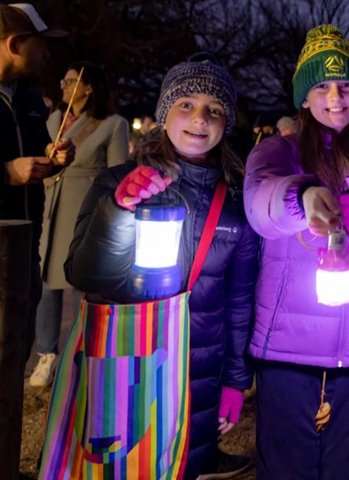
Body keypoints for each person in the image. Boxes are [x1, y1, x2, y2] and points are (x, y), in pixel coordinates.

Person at [45, 53, 258, 480]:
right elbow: (86, 274)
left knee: (186, 463)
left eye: (214, 110)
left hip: (200, 369)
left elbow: (239, 298)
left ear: (226, 123)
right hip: (125, 364)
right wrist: (121, 209)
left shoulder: (236, 201)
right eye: (186, 104)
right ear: (164, 114)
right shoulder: (118, 180)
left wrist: (236, 379)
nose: (200, 118)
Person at [244, 24, 349, 479]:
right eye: (321, 85)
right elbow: (261, 202)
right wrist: (303, 198)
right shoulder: (277, 151)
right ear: (303, 96)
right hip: (288, 351)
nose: (335, 96)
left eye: (346, 84)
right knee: (285, 469)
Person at [30, 61, 129, 388]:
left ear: (89, 87)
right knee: (45, 279)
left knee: (82, 280)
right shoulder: (54, 118)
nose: (65, 86)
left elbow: (117, 171)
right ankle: (47, 354)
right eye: (64, 80)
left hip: (86, 206)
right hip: (52, 204)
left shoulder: (112, 124)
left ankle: (82, 355)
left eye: (72, 81)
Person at [0, 3, 72, 357]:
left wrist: (53, 158)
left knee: (16, 349)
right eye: (39, 43)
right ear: (14, 44)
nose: (46, 53)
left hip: (25, 246)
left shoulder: (28, 96)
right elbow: (13, 168)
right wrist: (7, 173)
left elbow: (34, 153)